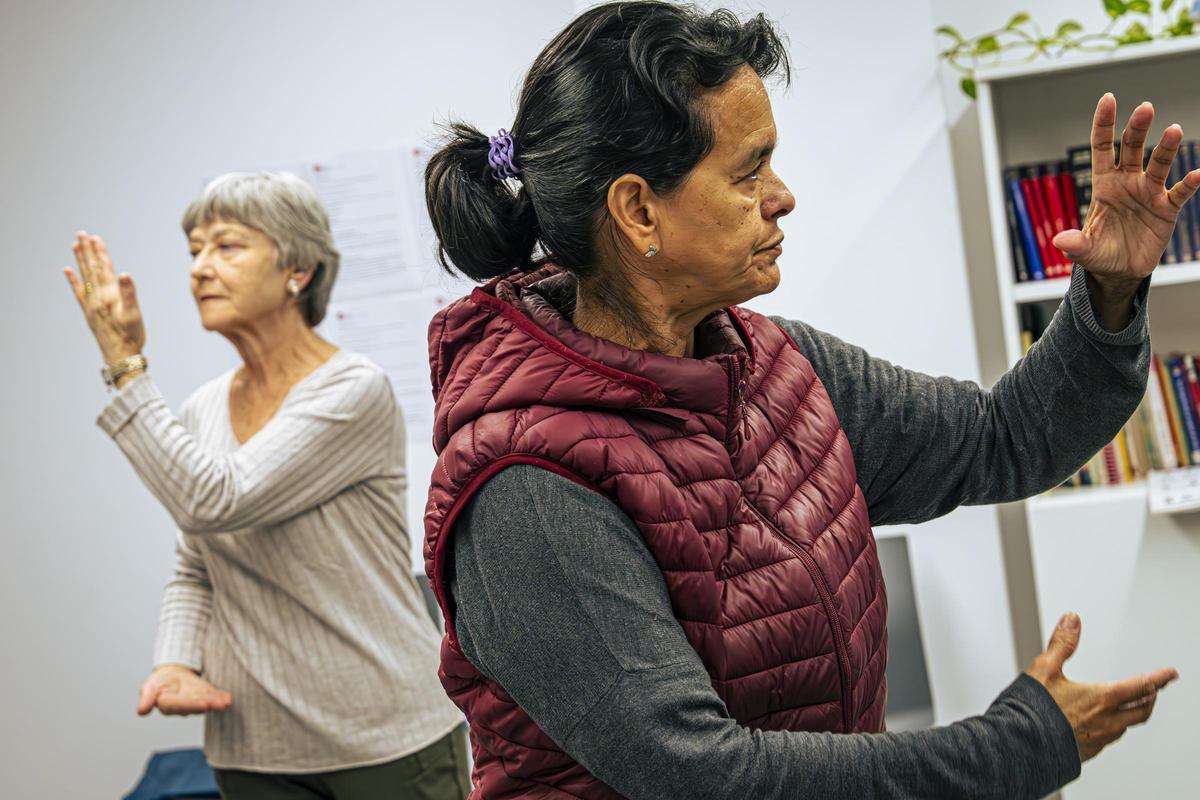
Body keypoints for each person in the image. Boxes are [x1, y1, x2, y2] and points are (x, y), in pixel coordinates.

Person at [419, 3, 1197, 798]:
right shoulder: (525, 489)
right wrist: (1015, 748)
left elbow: (1000, 437)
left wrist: (1109, 287)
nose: (782, 197)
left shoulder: (777, 365)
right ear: (639, 210)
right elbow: (705, 776)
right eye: (748, 172)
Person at [63, 172, 468, 800]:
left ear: (298, 270)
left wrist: (125, 367)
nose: (199, 268)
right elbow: (194, 563)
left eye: (226, 246)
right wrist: (175, 660)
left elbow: (216, 496)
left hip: (384, 736)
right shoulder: (201, 409)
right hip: (254, 746)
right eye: (193, 250)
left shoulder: (352, 390)